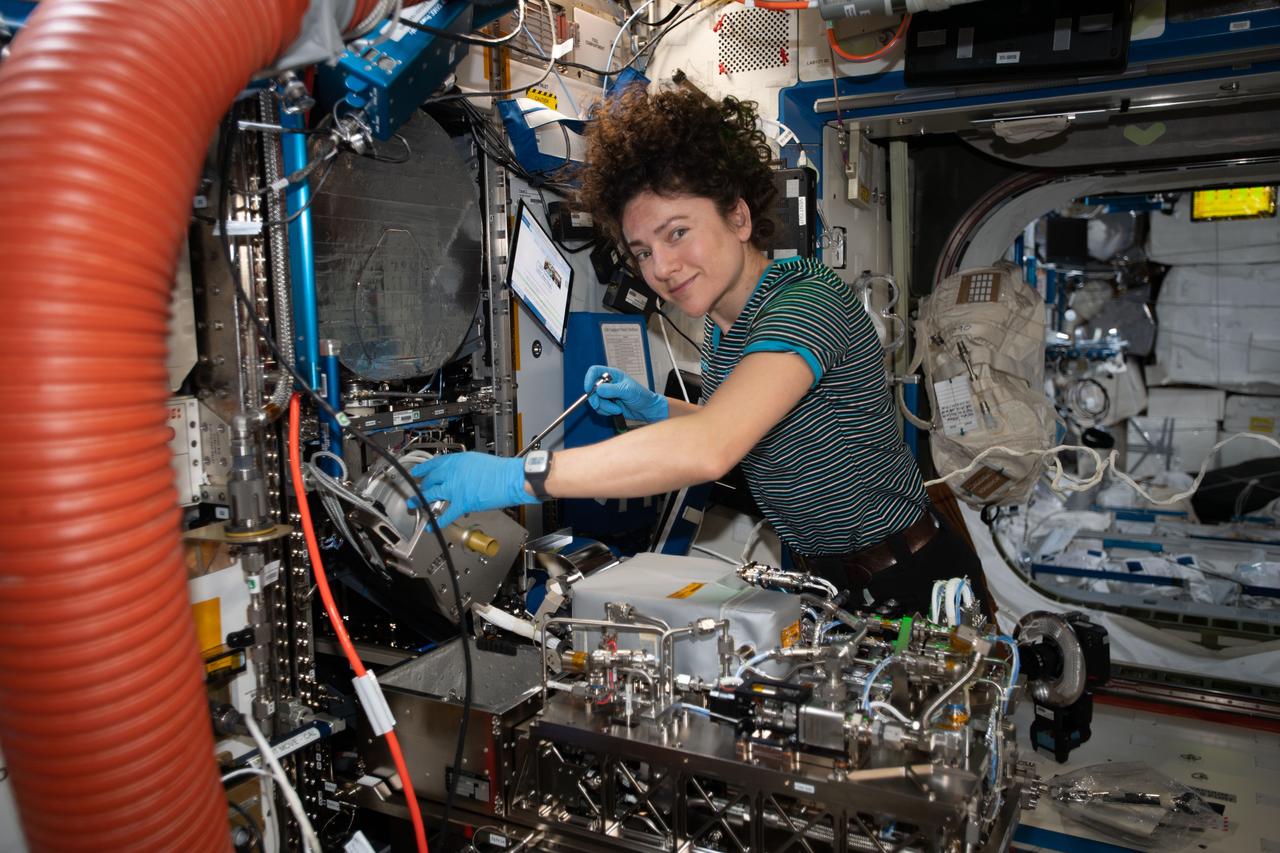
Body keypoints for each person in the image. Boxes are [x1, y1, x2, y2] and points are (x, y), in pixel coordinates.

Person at [411, 86, 988, 616]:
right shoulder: (721, 322)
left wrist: (519, 478)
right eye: (641, 251)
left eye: (677, 233)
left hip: (912, 579)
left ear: (738, 217)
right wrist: (662, 411)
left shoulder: (805, 303)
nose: (661, 268)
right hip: (831, 582)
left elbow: (714, 447)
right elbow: (740, 425)